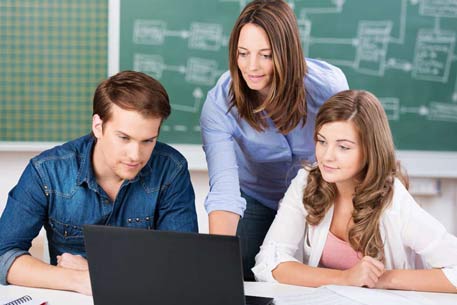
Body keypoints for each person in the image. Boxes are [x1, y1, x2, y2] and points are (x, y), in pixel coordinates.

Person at [0, 71, 198, 295]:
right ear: (98, 126)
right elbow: (4, 253)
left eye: (148, 141)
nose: (135, 155)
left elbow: (183, 264)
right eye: (124, 138)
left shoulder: (171, 170)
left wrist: (98, 272)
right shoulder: (47, 171)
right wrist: (79, 280)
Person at [200, 0, 348, 280]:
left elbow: (348, 157)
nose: (251, 67)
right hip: (257, 198)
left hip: (320, 195)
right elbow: (224, 192)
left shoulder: (329, 88)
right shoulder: (220, 104)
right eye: (243, 54)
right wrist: (217, 266)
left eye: (265, 55)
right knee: (239, 271)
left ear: (286, 53)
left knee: (320, 278)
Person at [252, 90, 457, 292]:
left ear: (370, 150)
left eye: (343, 147)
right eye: (322, 141)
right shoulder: (307, 182)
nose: (327, 156)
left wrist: (382, 279)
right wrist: (345, 277)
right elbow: (269, 261)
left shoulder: (394, 200)